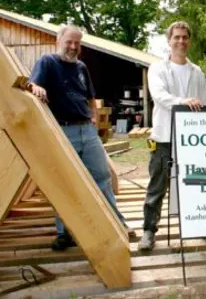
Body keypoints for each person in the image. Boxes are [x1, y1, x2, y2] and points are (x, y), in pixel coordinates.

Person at [29, 25, 131, 251]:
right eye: (69, 42)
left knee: (102, 177)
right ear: (59, 41)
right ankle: (65, 232)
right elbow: (32, 83)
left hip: (87, 130)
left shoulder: (82, 67)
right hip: (63, 131)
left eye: (77, 43)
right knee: (65, 181)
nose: (74, 47)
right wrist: (36, 88)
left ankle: (116, 222)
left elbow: (91, 99)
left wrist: (94, 121)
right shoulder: (47, 63)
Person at [138, 21, 206, 251]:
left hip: (191, 139)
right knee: (157, 185)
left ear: (189, 40)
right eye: (176, 37)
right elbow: (159, 96)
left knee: (196, 184)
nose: (180, 41)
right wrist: (183, 101)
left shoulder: (197, 72)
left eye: (184, 37)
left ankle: (204, 229)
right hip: (163, 137)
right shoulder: (157, 68)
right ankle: (149, 231)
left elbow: (205, 104)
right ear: (169, 41)